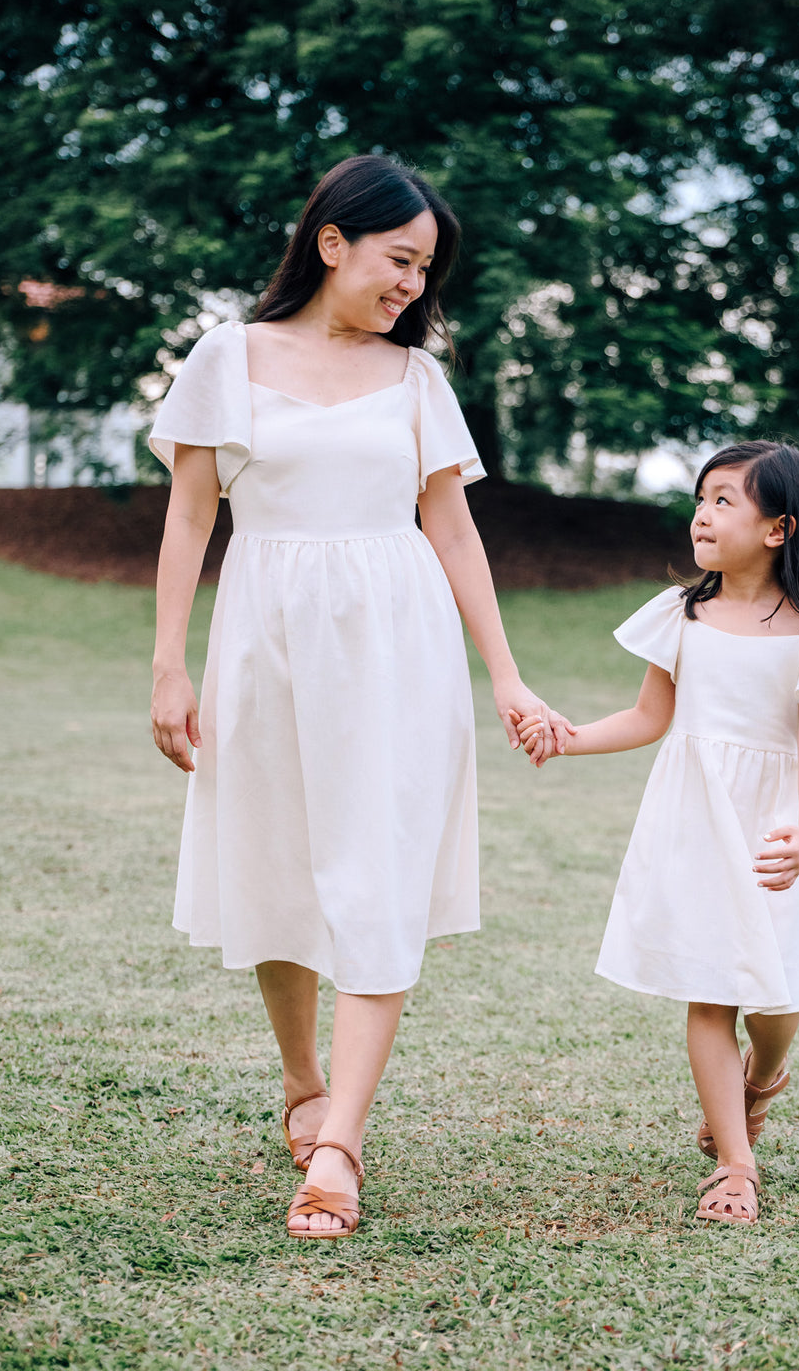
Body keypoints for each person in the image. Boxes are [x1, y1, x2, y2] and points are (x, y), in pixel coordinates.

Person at [149, 154, 566, 1240]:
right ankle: (302, 1082)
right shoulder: (226, 358)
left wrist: (506, 671)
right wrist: (168, 662)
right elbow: (192, 515)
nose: (412, 288)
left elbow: (453, 526)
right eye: (398, 260)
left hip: (398, 641)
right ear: (331, 241)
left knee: (377, 869)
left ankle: (341, 1142)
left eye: (425, 271)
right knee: (278, 859)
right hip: (264, 633)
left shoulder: (418, 381)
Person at [518, 440, 799, 1226]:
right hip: (693, 822)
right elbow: (651, 718)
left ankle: (765, 1076)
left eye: (724, 501)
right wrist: (566, 737)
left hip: (771, 828)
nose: (702, 515)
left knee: (774, 999)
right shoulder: (682, 612)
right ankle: (735, 1164)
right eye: (700, 498)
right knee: (711, 992)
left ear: (779, 528)